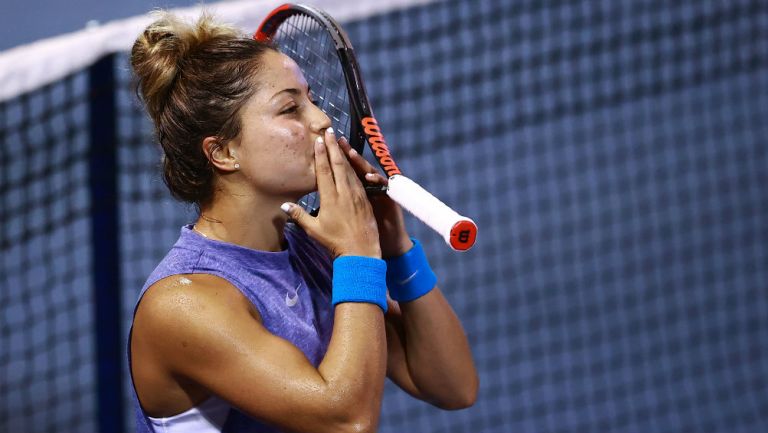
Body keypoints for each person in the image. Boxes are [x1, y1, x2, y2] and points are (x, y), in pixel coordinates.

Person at [128, 12, 478, 433]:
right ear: (222, 152)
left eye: (310, 99)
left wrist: (395, 246)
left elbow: (452, 386)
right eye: (291, 108)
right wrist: (357, 253)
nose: (321, 120)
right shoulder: (183, 305)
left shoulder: (312, 252)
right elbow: (347, 420)